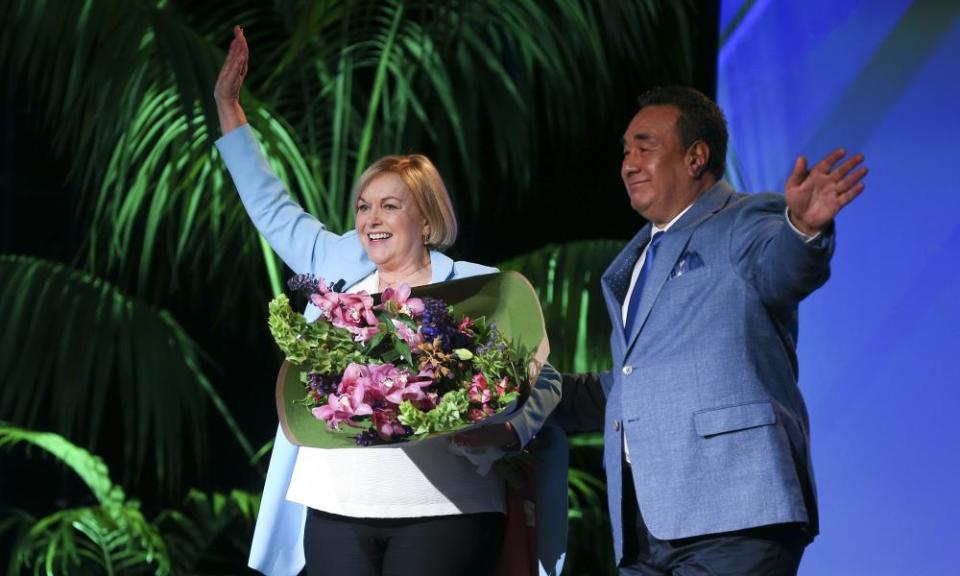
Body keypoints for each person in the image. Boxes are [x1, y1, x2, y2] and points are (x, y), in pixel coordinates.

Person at [213, 26, 567, 576]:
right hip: (334, 505)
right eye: (363, 206)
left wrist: (507, 431)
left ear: (426, 220)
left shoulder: (478, 287)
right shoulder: (334, 266)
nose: (371, 220)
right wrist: (228, 106)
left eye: (389, 206)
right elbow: (268, 203)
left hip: (446, 508)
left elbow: (546, 377)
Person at [555, 86, 867, 575]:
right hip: (647, 529)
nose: (629, 163)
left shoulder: (744, 220)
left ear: (696, 156)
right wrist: (528, 395)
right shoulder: (637, 258)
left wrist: (803, 229)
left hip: (736, 513)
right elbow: (634, 382)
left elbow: (782, 268)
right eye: (625, 151)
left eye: (645, 147)